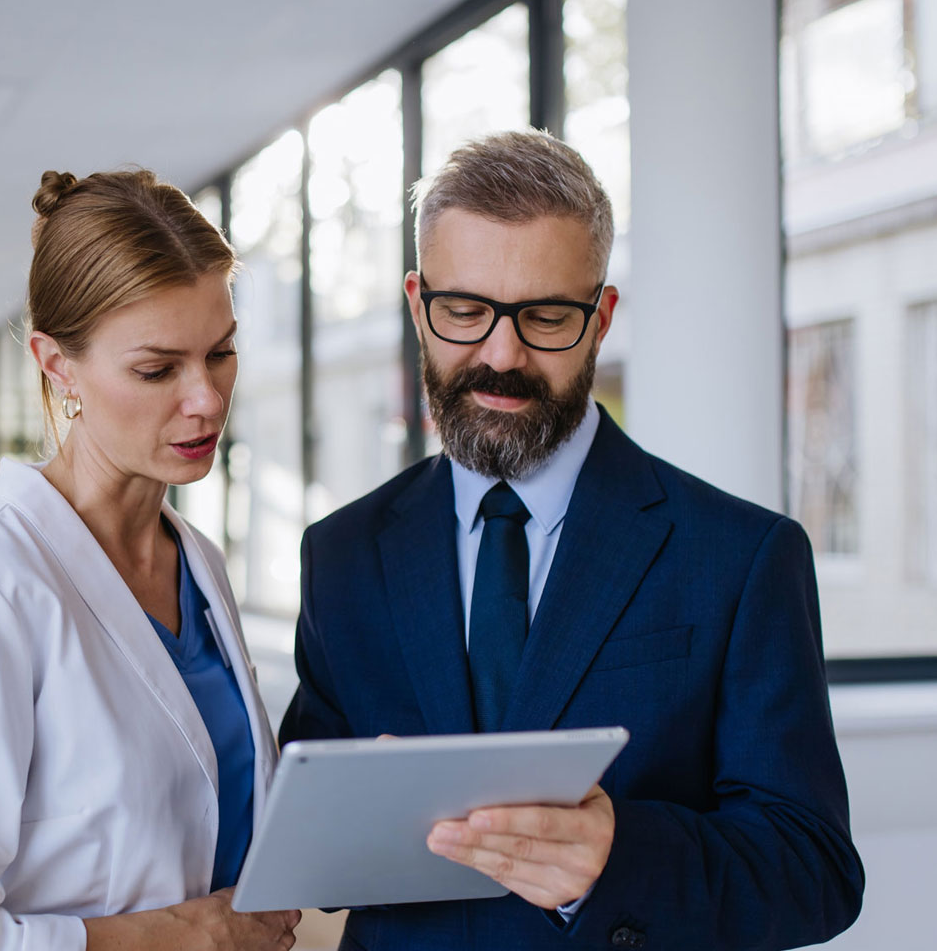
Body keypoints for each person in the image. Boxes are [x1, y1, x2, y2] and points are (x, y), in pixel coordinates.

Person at [279, 130, 865, 950]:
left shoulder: (741, 555)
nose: (502, 354)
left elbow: (814, 870)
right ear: (417, 305)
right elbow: (306, 842)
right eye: (465, 311)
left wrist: (616, 858)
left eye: (546, 316)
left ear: (601, 319)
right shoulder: (341, 555)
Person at [0, 169, 300, 951]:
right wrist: (181, 937)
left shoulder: (197, 563)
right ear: (57, 365)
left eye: (221, 353)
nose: (206, 399)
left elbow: (205, 802)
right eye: (157, 369)